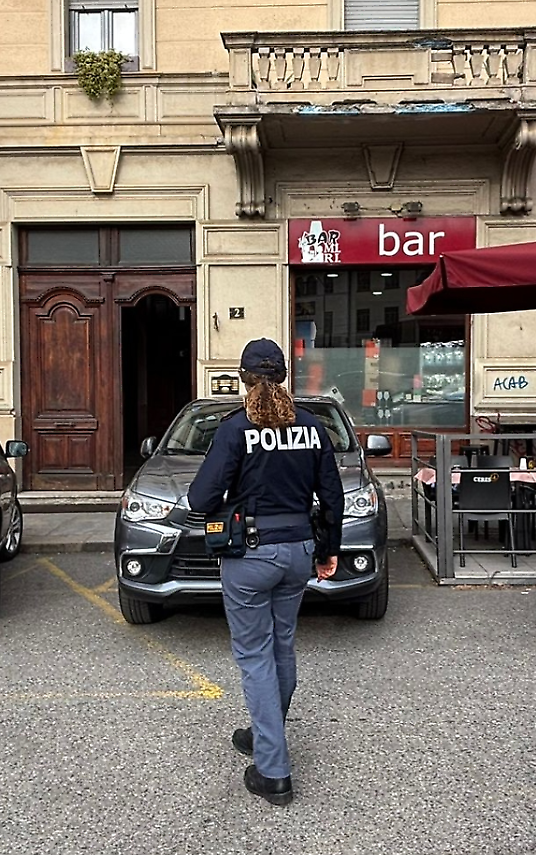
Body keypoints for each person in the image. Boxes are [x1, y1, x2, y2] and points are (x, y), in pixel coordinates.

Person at [187, 338, 344, 807]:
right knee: (282, 645)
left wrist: (228, 504)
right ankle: (263, 732)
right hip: (299, 549)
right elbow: (332, 497)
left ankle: (273, 770)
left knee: (254, 656)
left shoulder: (236, 429)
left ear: (243, 378)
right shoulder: (312, 426)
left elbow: (200, 499)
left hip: (251, 555)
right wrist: (327, 550)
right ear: (282, 377)